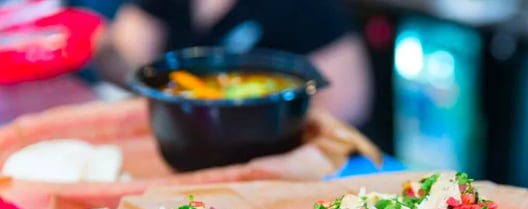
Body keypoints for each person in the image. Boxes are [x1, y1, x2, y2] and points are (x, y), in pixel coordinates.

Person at [94, 0, 373, 127]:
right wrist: (99, 44)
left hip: (275, 154)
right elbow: (131, 66)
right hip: (189, 144)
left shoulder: (307, 7)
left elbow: (346, 106)